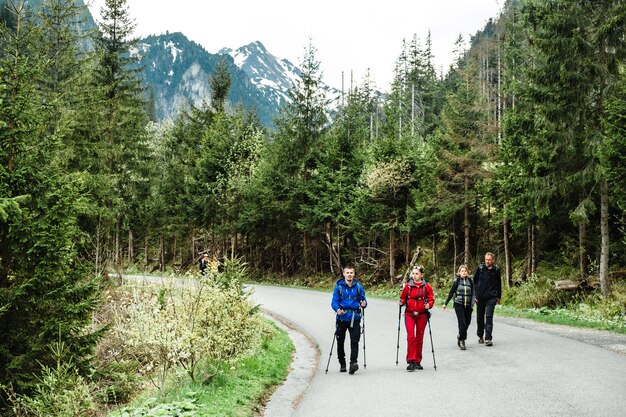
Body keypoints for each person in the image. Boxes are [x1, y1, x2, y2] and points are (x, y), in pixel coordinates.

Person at [331, 265, 367, 374]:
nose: (350, 274)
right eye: (347, 272)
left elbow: (363, 301)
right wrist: (337, 309)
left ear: (354, 274)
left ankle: (353, 363)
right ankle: (342, 363)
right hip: (342, 318)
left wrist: (364, 304)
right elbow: (334, 302)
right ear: (344, 274)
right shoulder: (339, 287)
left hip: (355, 318)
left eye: (351, 272)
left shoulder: (359, 287)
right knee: (340, 341)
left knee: (355, 341)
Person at [399, 265, 434, 371]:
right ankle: (411, 361)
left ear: (421, 275)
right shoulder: (408, 286)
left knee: (419, 337)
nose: (414, 276)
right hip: (409, 314)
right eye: (413, 273)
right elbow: (403, 298)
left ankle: (418, 361)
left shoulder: (427, 286)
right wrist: (401, 302)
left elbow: (431, 299)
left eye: (416, 274)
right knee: (411, 337)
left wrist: (429, 305)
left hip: (422, 314)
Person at [473, 252, 502, 346]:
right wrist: (474, 295)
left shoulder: (496, 270)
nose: (487, 261)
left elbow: (499, 284)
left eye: (489, 260)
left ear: (493, 260)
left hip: (491, 297)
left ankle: (488, 338)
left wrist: (498, 297)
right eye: (486, 259)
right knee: (479, 318)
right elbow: (474, 281)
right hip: (480, 297)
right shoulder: (480, 268)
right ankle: (480, 335)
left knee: (489, 317)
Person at [443, 265, 474, 350]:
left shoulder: (470, 281)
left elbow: (473, 293)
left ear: (467, 272)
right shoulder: (456, 281)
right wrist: (445, 303)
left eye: (465, 271)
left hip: (468, 305)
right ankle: (462, 340)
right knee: (462, 323)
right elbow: (451, 292)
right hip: (458, 304)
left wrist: (472, 304)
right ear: (459, 272)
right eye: (462, 271)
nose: (464, 272)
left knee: (467, 323)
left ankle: (460, 335)